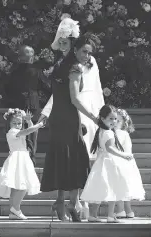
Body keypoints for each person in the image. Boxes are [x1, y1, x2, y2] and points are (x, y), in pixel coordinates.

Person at [39, 19, 104, 220]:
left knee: (64, 159)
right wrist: (94, 117)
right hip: (68, 117)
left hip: (59, 118)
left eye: (90, 52)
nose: (88, 56)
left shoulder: (60, 65)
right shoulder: (74, 69)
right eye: (85, 51)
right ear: (76, 50)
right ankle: (69, 204)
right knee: (75, 159)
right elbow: (75, 99)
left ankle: (64, 203)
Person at [80, 104, 143, 223]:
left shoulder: (101, 130)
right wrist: (123, 155)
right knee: (112, 189)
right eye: (111, 119)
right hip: (110, 162)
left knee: (100, 189)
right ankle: (110, 216)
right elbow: (109, 148)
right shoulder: (109, 132)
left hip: (101, 162)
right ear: (102, 119)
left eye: (115, 119)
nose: (114, 121)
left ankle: (93, 215)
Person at [0, 108, 44, 220]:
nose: (17, 125)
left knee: (18, 186)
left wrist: (29, 121)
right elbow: (27, 131)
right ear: (9, 123)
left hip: (22, 157)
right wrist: (39, 124)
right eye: (14, 123)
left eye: (19, 123)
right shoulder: (12, 132)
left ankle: (14, 210)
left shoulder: (18, 130)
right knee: (22, 185)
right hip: (18, 158)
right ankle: (16, 209)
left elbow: (30, 130)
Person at [114, 108, 145, 218]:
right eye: (113, 119)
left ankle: (121, 210)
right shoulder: (123, 134)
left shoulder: (120, 134)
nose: (115, 122)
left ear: (123, 123)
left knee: (119, 187)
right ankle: (128, 211)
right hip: (127, 162)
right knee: (124, 188)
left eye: (118, 121)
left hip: (121, 162)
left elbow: (123, 149)